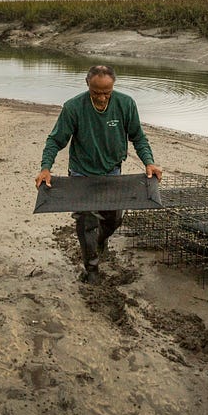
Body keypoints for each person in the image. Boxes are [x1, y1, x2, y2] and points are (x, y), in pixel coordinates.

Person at [36, 64, 162, 284]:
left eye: (107, 93)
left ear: (113, 88)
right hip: (81, 174)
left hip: (111, 172)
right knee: (86, 221)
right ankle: (91, 269)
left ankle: (100, 241)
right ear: (88, 85)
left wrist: (149, 163)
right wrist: (46, 168)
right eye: (96, 93)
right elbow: (55, 140)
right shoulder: (73, 107)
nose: (102, 98)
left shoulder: (126, 104)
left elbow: (138, 138)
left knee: (114, 219)